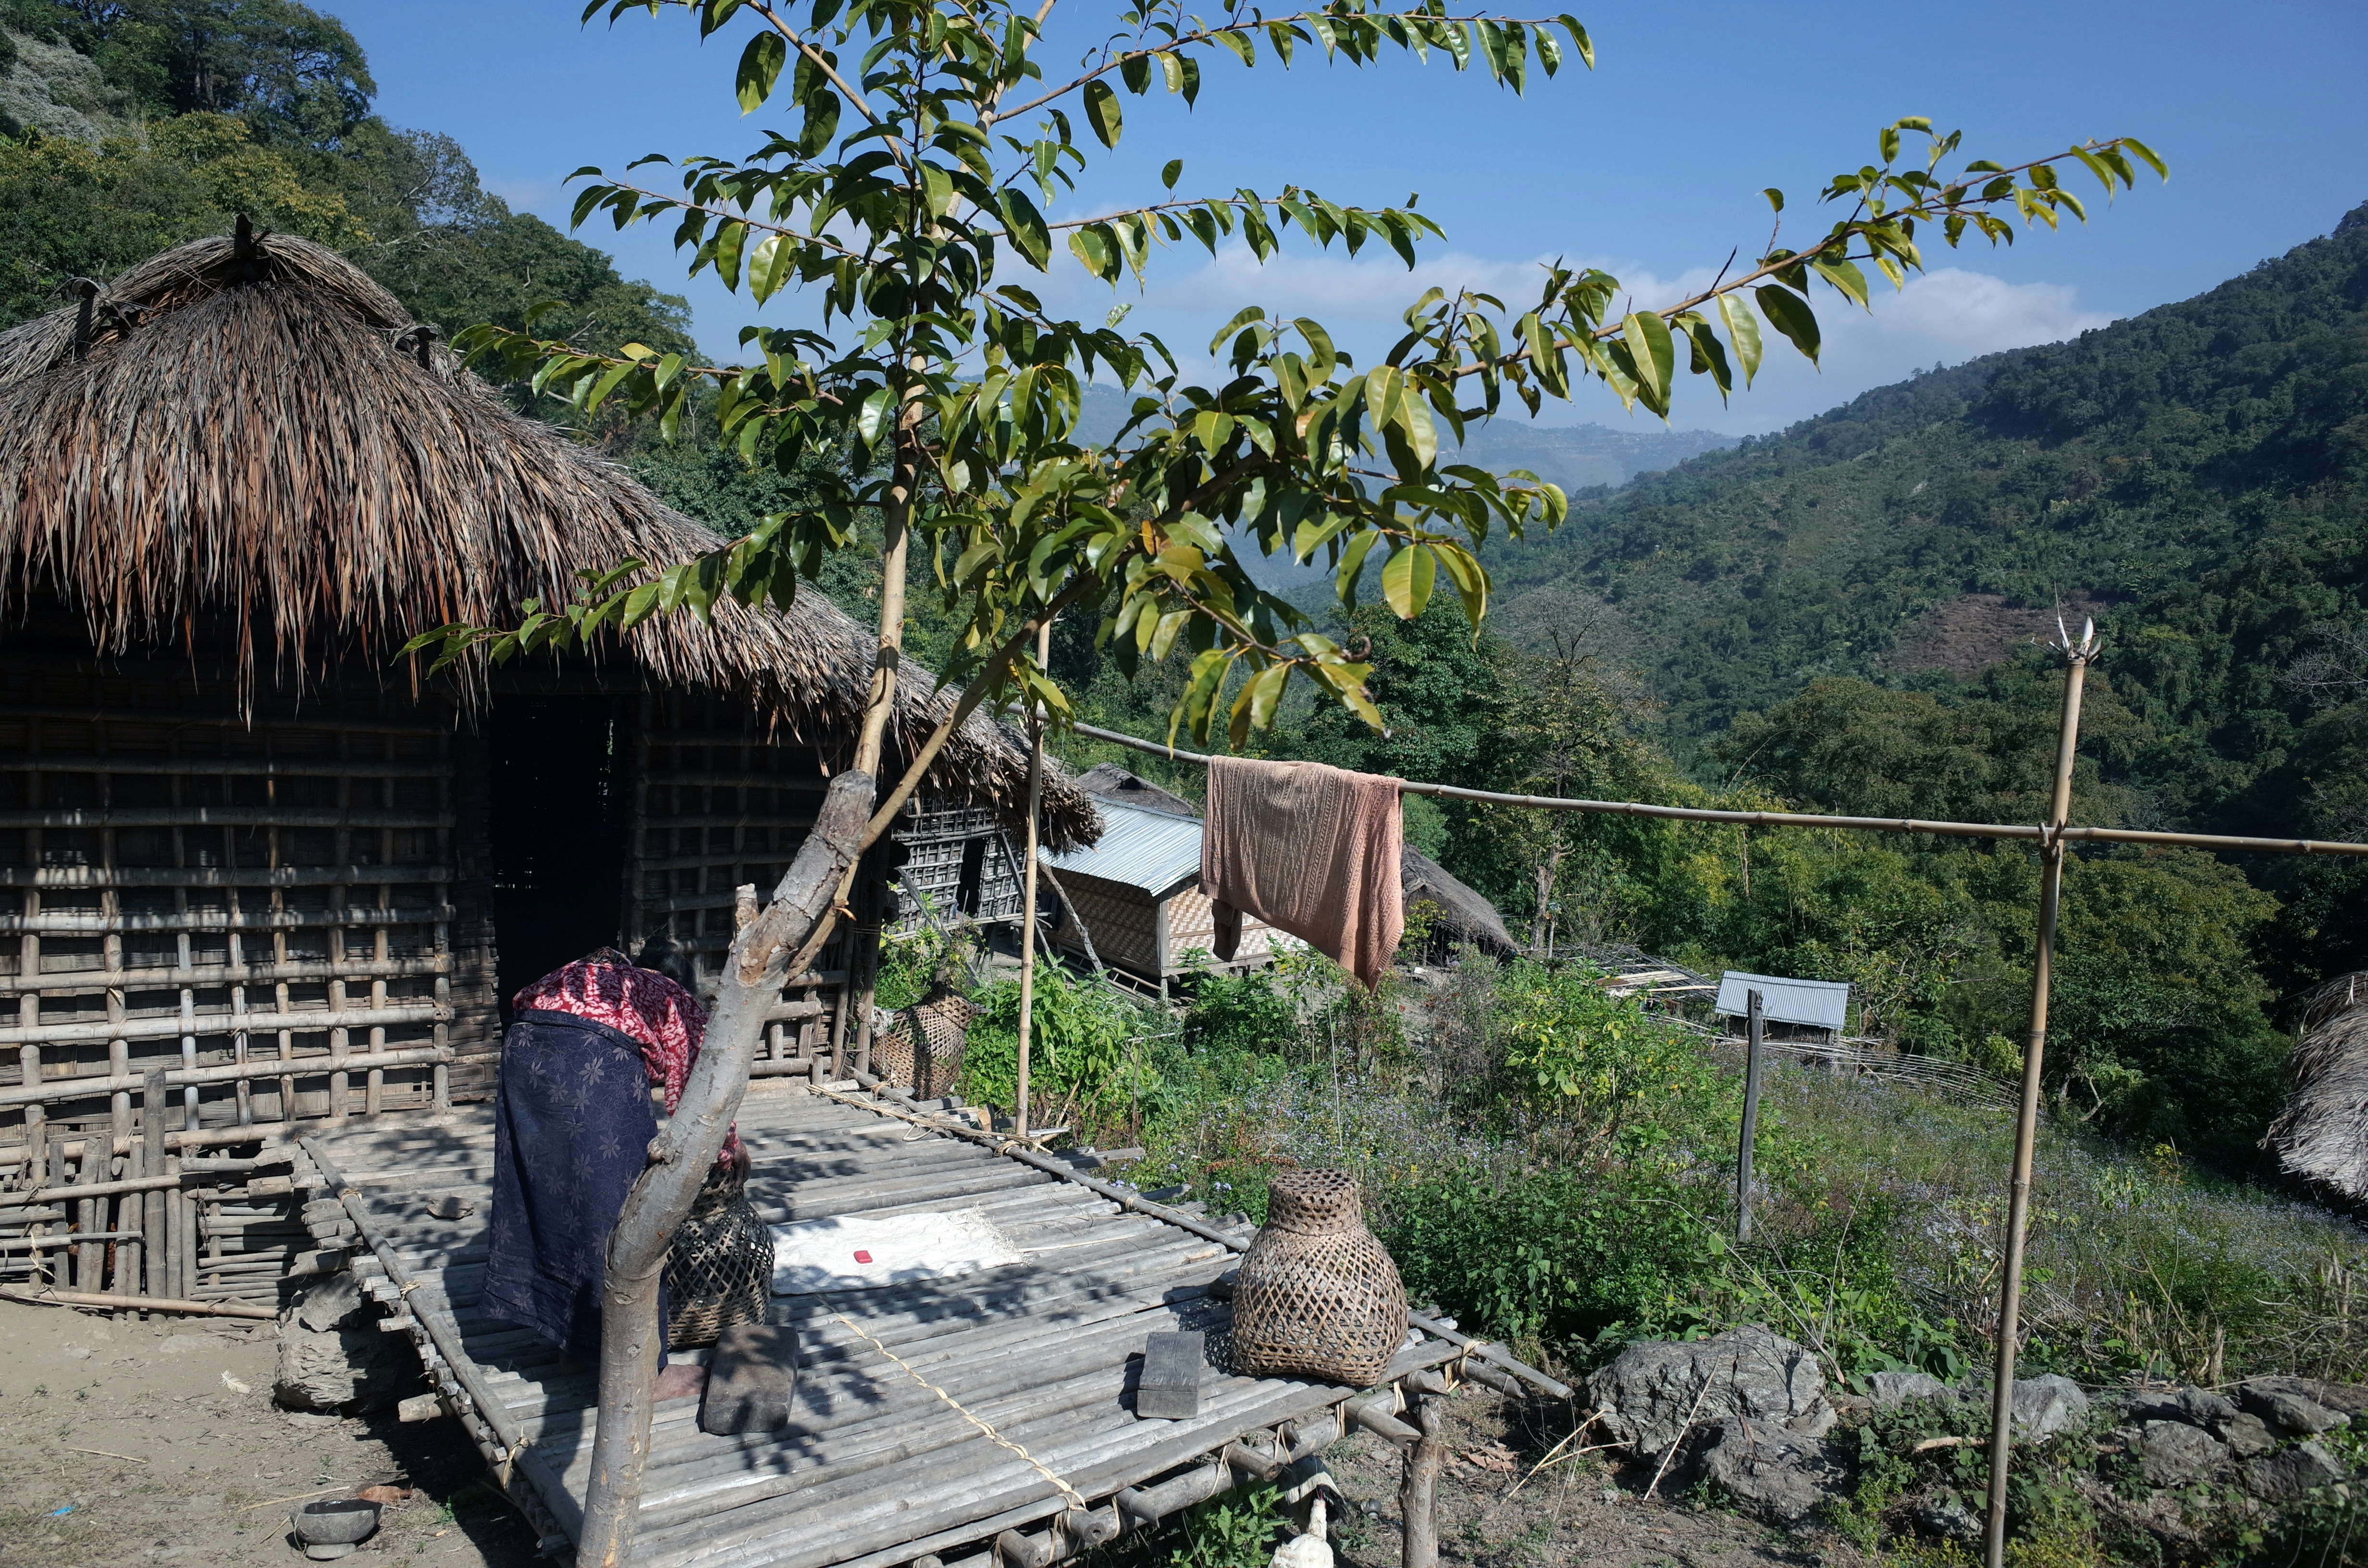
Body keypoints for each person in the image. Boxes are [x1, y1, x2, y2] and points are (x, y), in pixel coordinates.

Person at [481, 933, 740, 1399]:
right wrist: (726, 1153)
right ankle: (646, 1371)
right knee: (622, 1215)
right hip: (587, 1058)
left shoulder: (591, 975)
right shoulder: (671, 997)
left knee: (549, 1197)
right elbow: (702, 1098)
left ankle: (572, 1344)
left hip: (522, 1048)